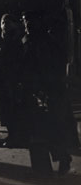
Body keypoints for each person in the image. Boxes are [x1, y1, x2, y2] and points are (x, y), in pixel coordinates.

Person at [19, 10, 74, 175]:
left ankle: (53, 163)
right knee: (43, 131)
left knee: (45, 130)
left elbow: (43, 67)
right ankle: (49, 165)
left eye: (29, 21)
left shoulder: (39, 42)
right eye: (25, 20)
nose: (27, 24)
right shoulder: (35, 41)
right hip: (40, 91)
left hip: (45, 92)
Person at [0, 13, 24, 147]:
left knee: (13, 108)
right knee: (7, 108)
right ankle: (12, 135)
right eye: (3, 23)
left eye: (7, 23)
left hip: (13, 78)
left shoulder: (16, 38)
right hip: (6, 78)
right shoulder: (5, 38)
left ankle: (16, 137)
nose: (5, 26)